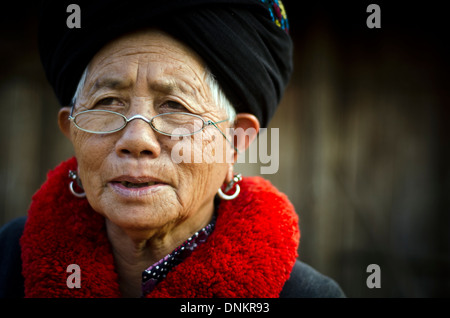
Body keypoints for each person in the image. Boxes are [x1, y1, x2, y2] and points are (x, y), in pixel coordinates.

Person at [0, 0, 345, 298]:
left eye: (175, 106)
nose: (136, 139)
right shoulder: (10, 260)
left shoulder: (304, 293)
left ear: (236, 141)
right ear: (71, 130)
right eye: (108, 101)